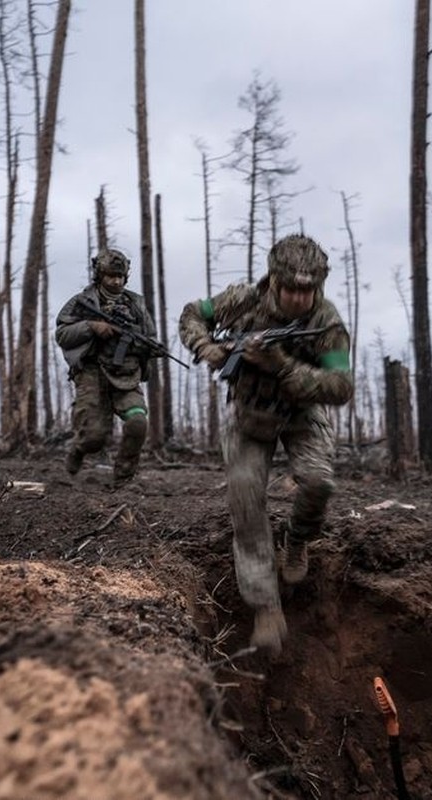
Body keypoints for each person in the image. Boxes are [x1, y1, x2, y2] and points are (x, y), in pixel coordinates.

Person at [178, 234, 353, 657]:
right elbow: (191, 315)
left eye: (307, 289)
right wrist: (206, 347)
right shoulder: (241, 300)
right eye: (290, 287)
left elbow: (340, 386)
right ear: (273, 281)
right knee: (246, 499)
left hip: (301, 414)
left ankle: (296, 540)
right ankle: (265, 607)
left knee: (317, 482)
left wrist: (283, 365)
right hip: (251, 415)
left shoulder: (327, 325)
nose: (298, 297)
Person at [55, 248, 157, 485]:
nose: (116, 281)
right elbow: (62, 334)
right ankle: (78, 450)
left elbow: (150, 337)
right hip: (92, 373)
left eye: (120, 276)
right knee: (94, 437)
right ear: (100, 275)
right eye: (111, 276)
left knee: (138, 422)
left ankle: (123, 478)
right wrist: (91, 327)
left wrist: (137, 343)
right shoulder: (82, 303)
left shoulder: (136, 304)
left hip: (126, 373)